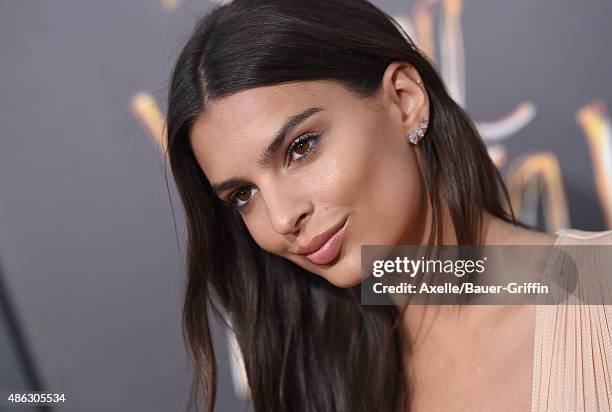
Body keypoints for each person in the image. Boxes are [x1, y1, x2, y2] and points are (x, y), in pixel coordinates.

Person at [164, 0, 612, 411]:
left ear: (404, 100)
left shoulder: (602, 289)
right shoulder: (321, 382)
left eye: (301, 147)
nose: (281, 218)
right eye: (244, 194)